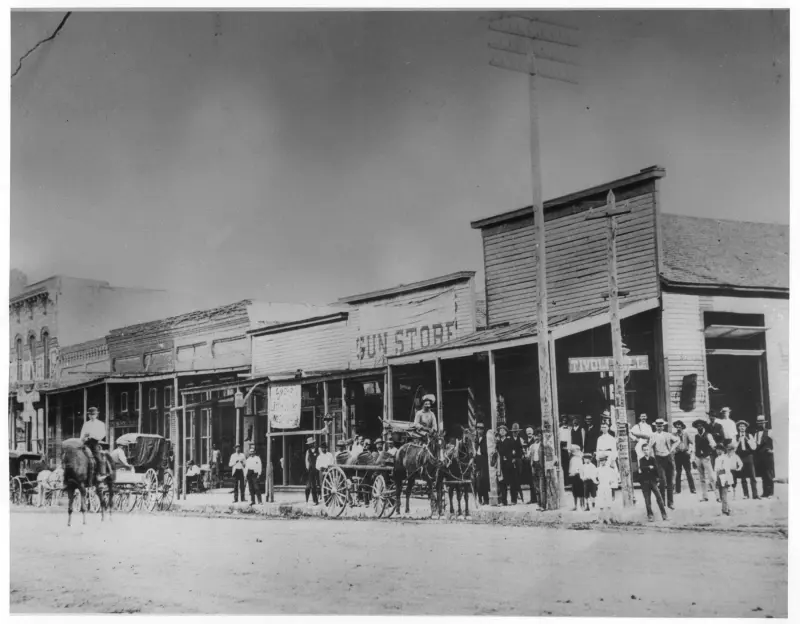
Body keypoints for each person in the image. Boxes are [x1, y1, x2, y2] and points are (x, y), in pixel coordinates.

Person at [639, 418, 678, 510]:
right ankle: (662, 501)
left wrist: (672, 449)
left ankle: (670, 502)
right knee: (662, 481)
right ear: (655, 426)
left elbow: (677, 440)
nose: (659, 428)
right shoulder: (653, 435)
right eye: (657, 426)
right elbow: (649, 447)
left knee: (670, 482)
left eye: (661, 426)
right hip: (659, 459)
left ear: (663, 426)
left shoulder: (667, 435)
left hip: (668, 458)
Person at [638, 443, 668, 522]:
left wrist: (657, 479)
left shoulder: (653, 459)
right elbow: (642, 468)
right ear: (642, 451)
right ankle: (650, 515)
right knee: (647, 500)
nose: (646, 451)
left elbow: (656, 469)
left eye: (647, 450)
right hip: (645, 482)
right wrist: (649, 467)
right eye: (644, 450)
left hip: (653, 481)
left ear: (650, 450)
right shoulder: (641, 460)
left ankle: (664, 515)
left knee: (659, 498)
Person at [79, 407, 107, 485]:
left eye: (93, 414)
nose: (92, 416)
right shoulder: (86, 424)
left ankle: (100, 474)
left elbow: (102, 434)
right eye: (90, 414)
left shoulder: (100, 424)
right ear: (88, 415)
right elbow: (82, 434)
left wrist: (93, 435)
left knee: (98, 458)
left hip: (94, 442)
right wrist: (83, 438)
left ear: (96, 415)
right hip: (86, 443)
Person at [692, 420, 718, 502]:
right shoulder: (695, 436)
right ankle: (705, 496)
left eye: (701, 426)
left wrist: (709, 450)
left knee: (711, 477)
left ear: (703, 426)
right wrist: (693, 459)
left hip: (706, 458)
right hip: (698, 458)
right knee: (701, 478)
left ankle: (717, 496)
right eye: (698, 426)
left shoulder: (708, 435)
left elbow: (713, 444)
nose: (699, 427)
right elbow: (693, 447)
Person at [733, 420, 758, 500]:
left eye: (743, 426)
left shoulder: (749, 435)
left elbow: (754, 447)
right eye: (740, 426)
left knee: (752, 476)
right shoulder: (735, 436)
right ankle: (746, 494)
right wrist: (738, 441)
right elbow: (733, 449)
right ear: (738, 428)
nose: (742, 428)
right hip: (740, 457)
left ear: (746, 427)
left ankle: (755, 494)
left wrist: (747, 440)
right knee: (743, 476)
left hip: (748, 456)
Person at [714, 443, 742, 516]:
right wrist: (717, 479)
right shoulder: (717, 458)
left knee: (724, 495)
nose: (717, 451)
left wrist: (725, 479)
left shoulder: (725, 458)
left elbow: (726, 469)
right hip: (719, 476)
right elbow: (716, 469)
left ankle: (725, 510)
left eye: (719, 449)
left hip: (724, 476)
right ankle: (728, 509)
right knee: (721, 495)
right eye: (717, 449)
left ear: (722, 450)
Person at [495, 424, 517, 505]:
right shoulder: (498, 442)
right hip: (501, 464)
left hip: (509, 464)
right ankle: (504, 501)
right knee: (502, 483)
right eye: (500, 430)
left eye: (503, 430)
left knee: (512, 482)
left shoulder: (510, 440)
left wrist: (509, 458)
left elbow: (513, 451)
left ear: (506, 432)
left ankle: (513, 500)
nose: (502, 432)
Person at [753, 415, 774, 499]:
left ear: (765, 423)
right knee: (763, 475)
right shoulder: (756, 433)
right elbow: (755, 445)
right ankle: (765, 492)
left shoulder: (769, 432)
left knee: (769, 474)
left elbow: (776, 442)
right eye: (759, 423)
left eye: (762, 423)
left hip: (767, 456)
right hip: (759, 456)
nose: (761, 424)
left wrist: (772, 450)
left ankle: (770, 493)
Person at [673, 420, 696, 495]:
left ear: (682, 426)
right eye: (677, 426)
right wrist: (674, 451)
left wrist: (690, 451)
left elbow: (692, 443)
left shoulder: (686, 434)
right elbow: (671, 445)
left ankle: (692, 489)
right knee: (678, 472)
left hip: (685, 455)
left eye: (679, 425)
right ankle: (677, 490)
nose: (678, 427)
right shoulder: (674, 435)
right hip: (678, 455)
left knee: (688, 472)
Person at [629, 413, 653, 478]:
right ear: (640, 417)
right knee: (640, 457)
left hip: (647, 442)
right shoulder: (637, 426)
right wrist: (636, 439)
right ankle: (641, 473)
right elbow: (630, 433)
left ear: (646, 417)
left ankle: (648, 472)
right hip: (640, 442)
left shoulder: (648, 426)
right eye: (642, 416)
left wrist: (649, 441)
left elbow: (651, 435)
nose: (643, 418)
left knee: (648, 457)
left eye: (644, 416)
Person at [528, 428, 545, 511]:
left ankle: (543, 505)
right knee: (536, 486)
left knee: (542, 486)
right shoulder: (532, 446)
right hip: (534, 465)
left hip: (540, 466)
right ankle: (538, 504)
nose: (536, 437)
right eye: (535, 436)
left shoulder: (543, 445)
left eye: (538, 435)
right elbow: (529, 456)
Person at [474, 421, 490, 506]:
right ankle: (479, 497)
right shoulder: (475, 439)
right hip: (477, 460)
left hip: (484, 460)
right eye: (478, 428)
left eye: (481, 429)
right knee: (477, 480)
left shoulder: (485, 439)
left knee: (484, 479)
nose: (479, 430)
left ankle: (486, 498)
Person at [509, 423, 526, 504]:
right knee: (512, 480)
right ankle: (513, 499)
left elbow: (523, 450)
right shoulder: (509, 439)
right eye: (514, 432)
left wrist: (521, 456)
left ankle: (519, 495)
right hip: (511, 460)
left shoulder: (521, 439)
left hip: (518, 461)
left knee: (518, 479)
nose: (515, 433)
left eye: (516, 432)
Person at [568, 445, 584, 511]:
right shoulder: (572, 459)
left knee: (580, 491)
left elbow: (581, 468)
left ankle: (581, 505)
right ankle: (576, 506)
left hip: (579, 476)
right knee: (574, 492)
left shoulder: (579, 459)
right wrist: (571, 473)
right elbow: (571, 468)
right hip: (574, 476)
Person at [304, 437, 320, 505]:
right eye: (309, 444)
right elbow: (306, 460)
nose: (311, 445)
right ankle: (315, 500)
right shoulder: (308, 451)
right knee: (312, 485)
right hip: (311, 470)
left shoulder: (318, 449)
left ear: (314, 443)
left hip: (318, 469)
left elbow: (321, 457)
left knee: (318, 484)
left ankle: (320, 497)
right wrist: (308, 467)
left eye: (312, 443)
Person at [558, 415, 571, 486]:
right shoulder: (559, 429)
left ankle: (567, 482)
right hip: (561, 447)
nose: (564, 421)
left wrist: (568, 449)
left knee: (567, 466)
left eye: (565, 420)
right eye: (563, 420)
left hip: (567, 448)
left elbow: (570, 439)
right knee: (561, 465)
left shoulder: (569, 429)